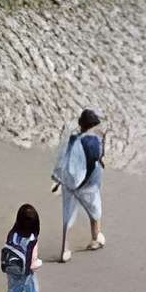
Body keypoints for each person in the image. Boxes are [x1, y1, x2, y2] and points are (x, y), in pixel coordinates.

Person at [52, 109, 108, 259]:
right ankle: (96, 238)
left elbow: (64, 158)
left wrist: (58, 180)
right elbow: (96, 159)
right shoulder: (94, 141)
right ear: (92, 125)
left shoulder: (72, 139)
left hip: (69, 183)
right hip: (88, 184)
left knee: (68, 216)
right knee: (95, 212)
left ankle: (64, 249)